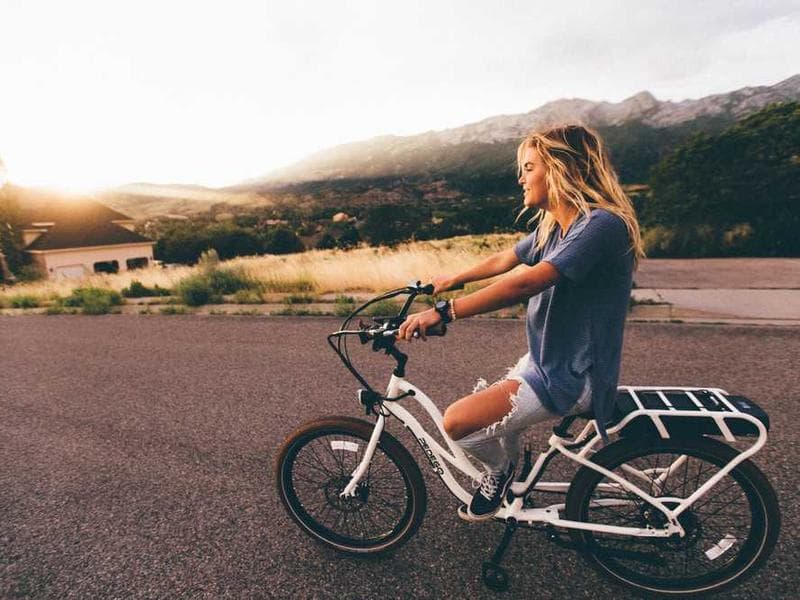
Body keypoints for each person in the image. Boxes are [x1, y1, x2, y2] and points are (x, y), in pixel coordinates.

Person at [397, 124, 645, 521]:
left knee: (457, 423)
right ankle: (511, 471)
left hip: (573, 375)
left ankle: (499, 472)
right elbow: (505, 259)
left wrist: (446, 311)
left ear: (562, 169)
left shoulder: (600, 226)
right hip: (546, 361)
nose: (521, 178)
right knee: (496, 417)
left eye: (529, 168)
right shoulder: (556, 228)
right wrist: (452, 279)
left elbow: (527, 282)